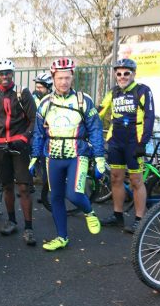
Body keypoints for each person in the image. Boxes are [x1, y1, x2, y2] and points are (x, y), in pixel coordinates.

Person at [31, 58, 105, 251]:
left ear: (72, 77)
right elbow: (38, 132)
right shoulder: (45, 103)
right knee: (55, 197)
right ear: (53, 79)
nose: (63, 82)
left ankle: (89, 211)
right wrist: (34, 156)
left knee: (74, 194)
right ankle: (61, 237)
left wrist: (99, 157)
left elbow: (95, 129)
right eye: (60, 78)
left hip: (77, 155)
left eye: (67, 78)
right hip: (53, 156)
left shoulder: (83, 100)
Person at [97, 59, 155, 233]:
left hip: (134, 142)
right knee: (115, 178)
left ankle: (139, 219)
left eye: (126, 73)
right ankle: (118, 215)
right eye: (119, 73)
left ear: (133, 74)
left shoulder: (143, 90)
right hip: (116, 141)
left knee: (136, 181)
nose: (122, 76)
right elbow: (99, 111)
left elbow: (149, 118)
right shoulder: (113, 92)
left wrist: (143, 143)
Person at [0, 59, 37, 242]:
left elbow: (34, 119)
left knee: (23, 187)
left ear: (12, 74)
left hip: (19, 146)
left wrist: (25, 138)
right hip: (1, 146)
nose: (4, 76)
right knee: (7, 186)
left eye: (7, 73)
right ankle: (12, 221)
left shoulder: (23, 93)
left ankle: (29, 228)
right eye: (0, 74)